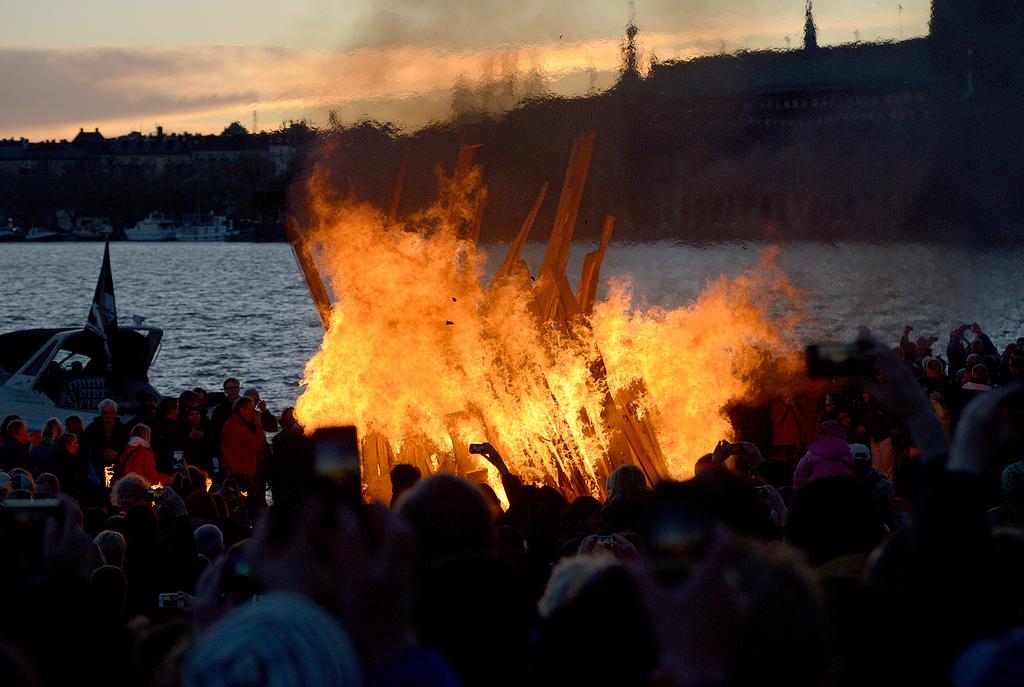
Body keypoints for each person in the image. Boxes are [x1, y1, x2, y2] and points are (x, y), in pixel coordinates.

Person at [793, 420, 855, 489]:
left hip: (816, 491)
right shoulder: (847, 454)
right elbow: (853, 470)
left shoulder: (811, 454)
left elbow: (799, 477)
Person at [219, 397, 265, 485]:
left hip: (239, 469)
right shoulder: (237, 426)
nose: (254, 413)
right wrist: (259, 425)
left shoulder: (235, 423)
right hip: (241, 471)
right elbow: (258, 444)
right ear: (242, 410)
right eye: (251, 409)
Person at [83, 399, 129, 478]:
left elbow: (127, 447)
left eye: (111, 412)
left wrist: (117, 454)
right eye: (105, 413)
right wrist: (101, 452)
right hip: (97, 468)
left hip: (118, 468)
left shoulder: (123, 429)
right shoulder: (91, 428)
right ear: (101, 413)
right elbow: (86, 447)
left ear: (115, 413)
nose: (108, 416)